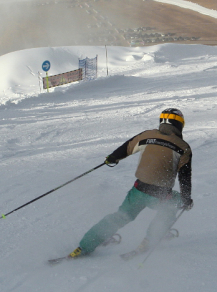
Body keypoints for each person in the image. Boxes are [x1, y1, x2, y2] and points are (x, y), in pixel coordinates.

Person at [66, 108, 193, 259]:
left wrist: (113, 157)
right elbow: (184, 176)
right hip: (161, 195)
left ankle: (85, 246)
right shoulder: (183, 147)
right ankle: (152, 238)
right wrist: (186, 198)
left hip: (138, 191)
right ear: (180, 125)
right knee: (173, 204)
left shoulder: (146, 135)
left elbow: (126, 147)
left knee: (121, 216)